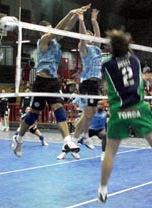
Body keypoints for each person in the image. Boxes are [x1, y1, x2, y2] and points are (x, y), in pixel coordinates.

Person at [97, 29, 152, 203]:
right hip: (139, 108)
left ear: (111, 48)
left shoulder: (106, 64)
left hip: (119, 110)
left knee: (110, 152)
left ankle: (102, 189)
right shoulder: (135, 60)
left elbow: (106, 86)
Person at [12, 5, 91, 158]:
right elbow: (56, 31)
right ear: (42, 31)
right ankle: (18, 138)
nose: (51, 30)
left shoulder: (55, 41)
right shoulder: (43, 40)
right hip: (41, 82)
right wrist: (69, 13)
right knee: (33, 116)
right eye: (48, 29)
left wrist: (76, 15)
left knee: (59, 110)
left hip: (53, 82)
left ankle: (67, 140)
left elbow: (65, 28)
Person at [64, 8, 102, 160]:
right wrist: (81, 20)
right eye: (87, 36)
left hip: (95, 85)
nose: (90, 37)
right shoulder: (84, 49)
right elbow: (81, 36)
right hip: (86, 83)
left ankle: (85, 136)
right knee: (86, 114)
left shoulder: (97, 49)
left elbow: (98, 36)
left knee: (91, 114)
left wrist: (94, 21)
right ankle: (74, 140)